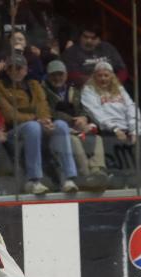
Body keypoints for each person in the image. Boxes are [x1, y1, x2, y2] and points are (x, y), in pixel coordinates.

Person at [0, 52, 78, 194]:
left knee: (61, 125)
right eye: (13, 68)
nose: (17, 71)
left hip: (38, 124)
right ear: (7, 70)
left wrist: (46, 120)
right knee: (33, 127)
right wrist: (35, 119)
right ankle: (34, 180)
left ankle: (68, 178)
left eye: (20, 68)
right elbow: (9, 115)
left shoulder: (34, 84)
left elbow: (43, 105)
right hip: (13, 131)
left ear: (26, 70)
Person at [43, 58, 107, 189]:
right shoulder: (42, 91)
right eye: (53, 75)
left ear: (66, 75)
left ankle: (97, 170)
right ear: (48, 76)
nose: (57, 78)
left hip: (77, 127)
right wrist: (72, 121)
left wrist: (83, 119)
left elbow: (82, 109)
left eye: (60, 74)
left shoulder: (74, 90)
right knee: (74, 140)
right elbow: (48, 112)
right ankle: (86, 175)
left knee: (97, 138)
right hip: (56, 131)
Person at [80, 59, 141, 180]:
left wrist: (134, 130)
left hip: (126, 129)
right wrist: (115, 129)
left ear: (111, 76)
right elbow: (96, 113)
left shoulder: (119, 89)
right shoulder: (88, 90)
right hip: (107, 130)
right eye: (100, 75)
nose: (103, 78)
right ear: (94, 77)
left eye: (106, 75)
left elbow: (131, 108)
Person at [61, 25, 128, 87]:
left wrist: (114, 83)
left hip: (111, 87)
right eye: (85, 37)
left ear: (99, 39)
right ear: (80, 37)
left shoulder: (108, 48)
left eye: (93, 38)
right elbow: (73, 76)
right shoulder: (71, 52)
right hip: (85, 89)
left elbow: (122, 70)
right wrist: (100, 83)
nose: (89, 41)